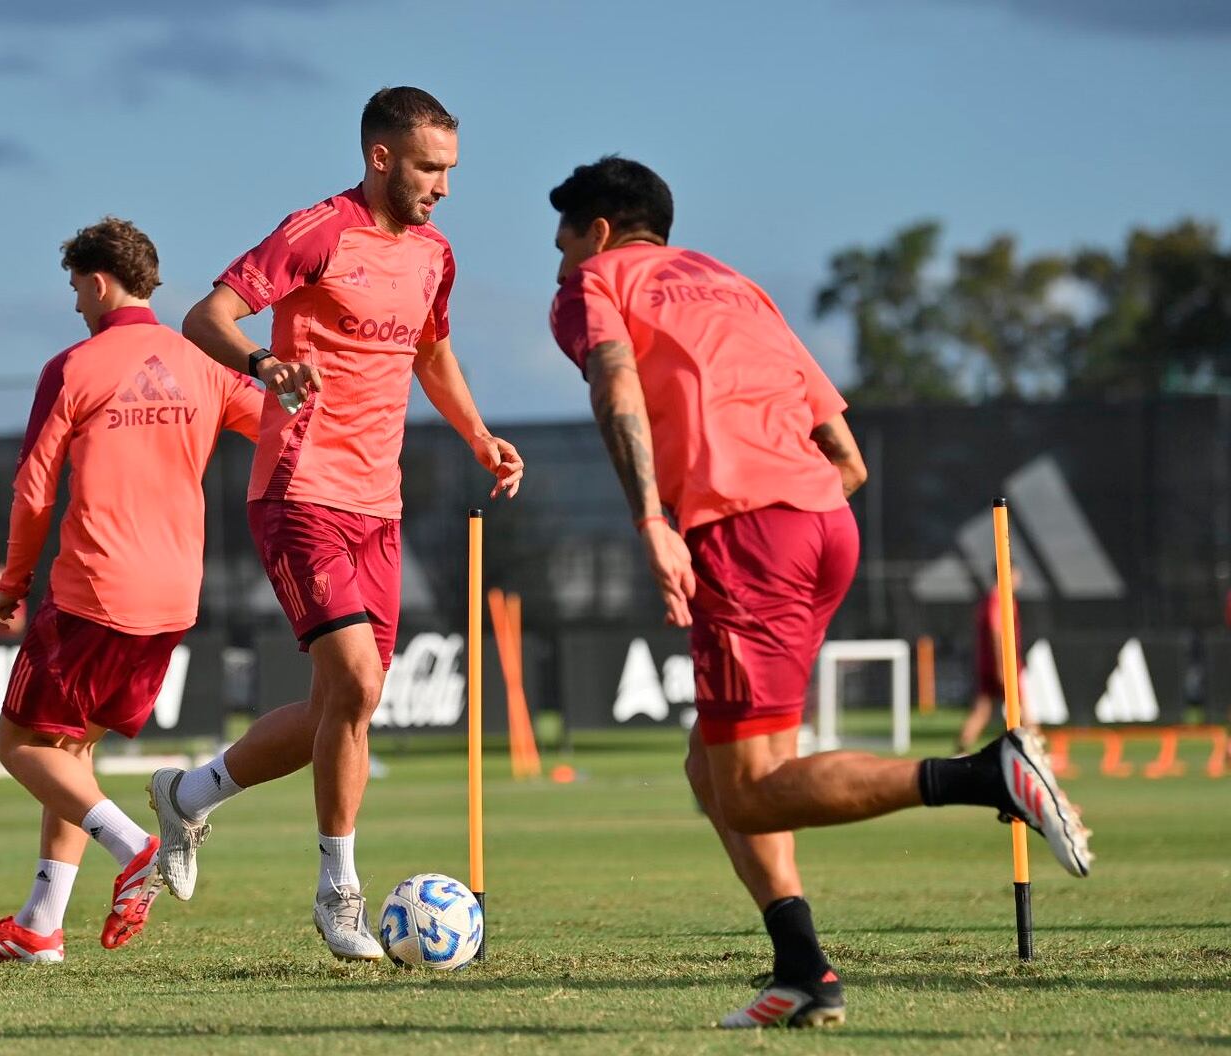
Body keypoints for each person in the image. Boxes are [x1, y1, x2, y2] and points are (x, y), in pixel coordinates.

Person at [545, 156, 1090, 1029]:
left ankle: (986, 774)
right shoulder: (733, 285)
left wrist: (654, 517)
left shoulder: (595, 284)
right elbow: (848, 457)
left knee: (754, 788)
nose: (561, 262)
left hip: (746, 530)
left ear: (599, 231)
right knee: (715, 768)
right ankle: (804, 973)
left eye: (564, 241)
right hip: (823, 520)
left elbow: (616, 387)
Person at [154, 86, 524, 962]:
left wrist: (477, 435)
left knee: (342, 703)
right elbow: (206, 314)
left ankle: (189, 796)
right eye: (431, 168)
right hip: (297, 488)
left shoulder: (436, 253)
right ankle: (339, 892)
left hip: (378, 504)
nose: (443, 186)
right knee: (356, 682)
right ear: (382, 157)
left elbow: (430, 350)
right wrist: (265, 363)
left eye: (452, 170)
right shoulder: (318, 230)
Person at [0, 217, 264, 964]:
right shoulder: (204, 366)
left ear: (97, 281)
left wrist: (13, 581)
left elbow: (33, 490)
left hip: (94, 590)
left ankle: (135, 846)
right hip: (172, 601)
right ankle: (40, 925)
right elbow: (286, 423)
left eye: (75, 290)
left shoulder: (74, 366)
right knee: (70, 751)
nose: (75, 307)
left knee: (20, 745)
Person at [956, 567, 1028, 753]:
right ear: (1008, 574)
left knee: (981, 711)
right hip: (1001, 665)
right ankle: (1038, 754)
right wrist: (1001, 665)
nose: (1020, 578)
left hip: (987, 664)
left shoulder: (990, 599)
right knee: (1025, 710)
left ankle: (959, 753)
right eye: (1016, 573)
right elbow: (997, 632)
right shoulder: (999, 599)